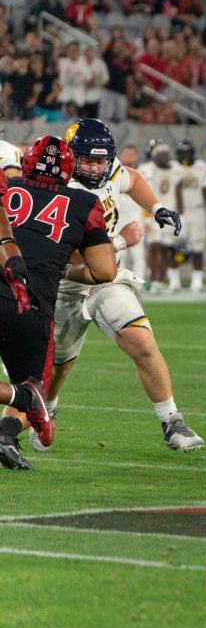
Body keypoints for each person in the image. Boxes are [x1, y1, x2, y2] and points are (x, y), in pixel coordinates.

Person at [39, 119, 204, 453]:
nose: (97, 167)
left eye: (102, 160)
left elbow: (132, 178)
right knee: (59, 366)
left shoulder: (109, 169)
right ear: (72, 156)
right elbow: (64, 253)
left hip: (105, 280)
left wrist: (156, 207)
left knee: (142, 341)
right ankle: (49, 406)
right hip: (66, 282)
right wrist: (120, 241)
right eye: (88, 160)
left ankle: (172, 420)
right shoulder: (56, 183)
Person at [0, 136, 116, 468]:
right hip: (34, 307)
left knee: (29, 392)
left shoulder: (8, 186)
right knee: (36, 387)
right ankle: (16, 417)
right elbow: (105, 269)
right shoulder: (83, 202)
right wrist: (58, 267)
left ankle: (20, 407)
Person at [169, 140, 206, 293]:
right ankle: (174, 281)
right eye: (183, 153)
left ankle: (197, 281)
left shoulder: (201, 167)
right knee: (174, 247)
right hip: (178, 211)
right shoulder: (173, 167)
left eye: (188, 153)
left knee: (198, 247)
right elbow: (176, 189)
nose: (185, 156)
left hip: (198, 210)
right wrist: (180, 214)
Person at [136, 140, 174, 292]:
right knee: (153, 247)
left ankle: (160, 281)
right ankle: (152, 278)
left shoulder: (173, 169)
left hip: (169, 213)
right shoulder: (145, 169)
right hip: (151, 213)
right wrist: (145, 217)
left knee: (165, 248)